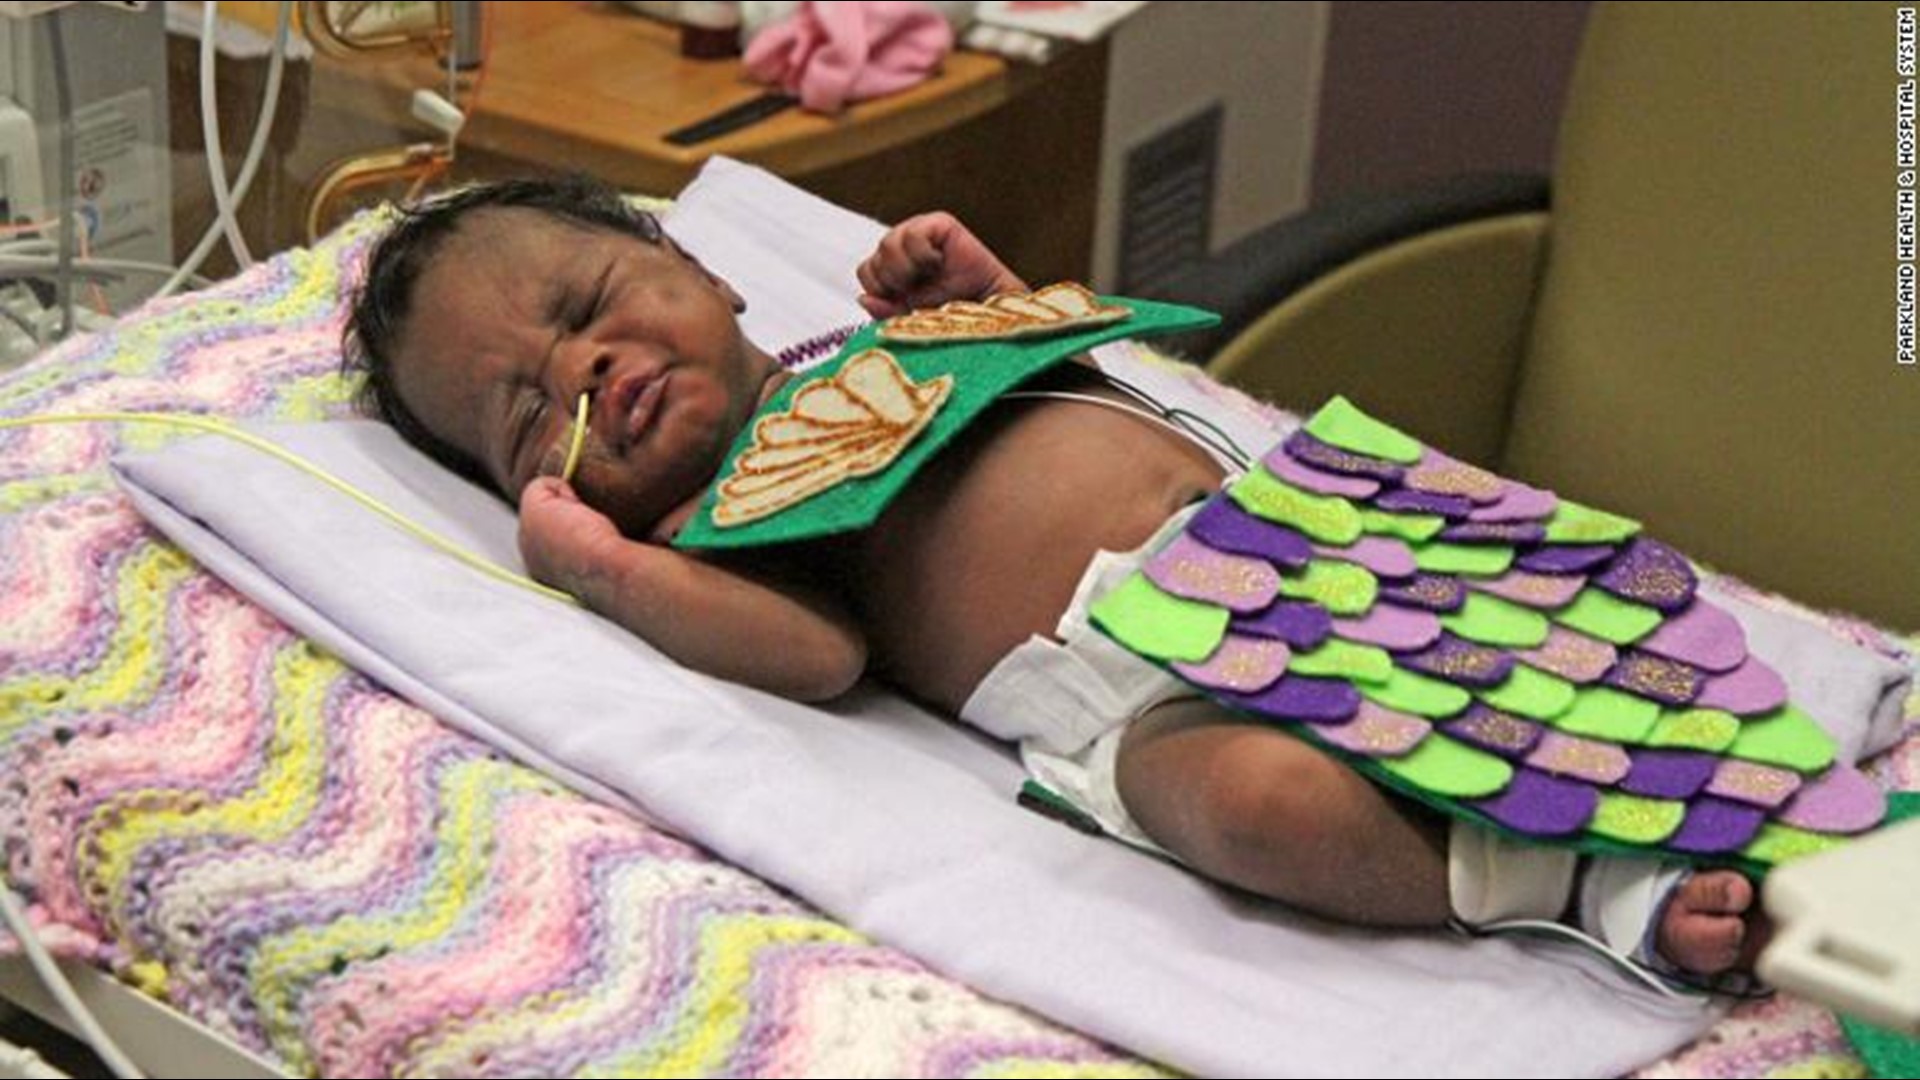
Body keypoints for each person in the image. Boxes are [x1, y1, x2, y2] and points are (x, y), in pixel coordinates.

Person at [343, 175, 1765, 984]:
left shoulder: (872, 351)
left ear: (705, 272)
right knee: (1249, 804)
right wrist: (601, 567)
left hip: (1288, 541)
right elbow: (816, 658)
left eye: (589, 311)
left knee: (1501, 593)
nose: (582, 373)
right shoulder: (711, 531)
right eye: (528, 418)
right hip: (1137, 692)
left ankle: (1676, 748)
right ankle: (1572, 883)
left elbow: (1073, 380)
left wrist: (984, 295)